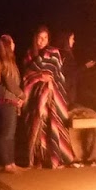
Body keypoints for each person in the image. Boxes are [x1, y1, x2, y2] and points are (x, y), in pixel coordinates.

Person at [21, 26, 75, 168]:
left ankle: (55, 158)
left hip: (52, 98)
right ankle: (39, 159)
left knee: (52, 126)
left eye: (45, 38)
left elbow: (58, 75)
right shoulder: (29, 54)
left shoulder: (53, 52)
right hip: (34, 99)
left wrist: (49, 81)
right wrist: (40, 76)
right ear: (35, 38)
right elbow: (26, 77)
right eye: (39, 38)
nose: (42, 41)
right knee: (38, 128)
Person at [58, 30, 96, 165]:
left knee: (95, 119)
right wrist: (84, 67)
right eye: (72, 39)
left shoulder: (65, 57)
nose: (74, 42)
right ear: (66, 41)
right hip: (66, 103)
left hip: (71, 102)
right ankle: (93, 157)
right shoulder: (65, 57)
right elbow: (69, 77)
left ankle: (89, 156)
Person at [0, 33, 22, 171]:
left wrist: (19, 99)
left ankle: (12, 162)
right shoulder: (3, 63)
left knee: (11, 133)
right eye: (12, 42)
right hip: (7, 101)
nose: (15, 44)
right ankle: (7, 163)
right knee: (7, 133)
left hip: (12, 101)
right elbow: (10, 84)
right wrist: (22, 95)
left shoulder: (10, 63)